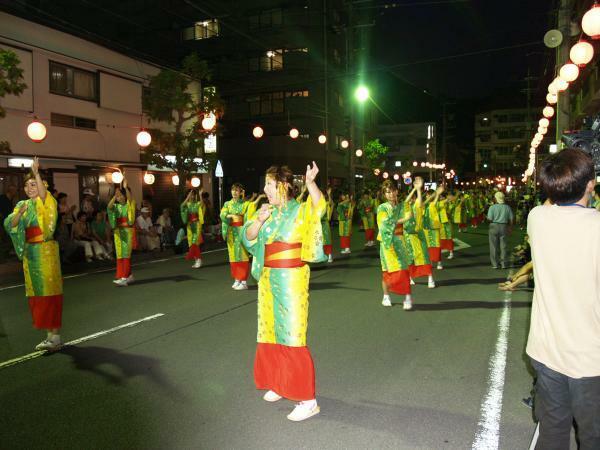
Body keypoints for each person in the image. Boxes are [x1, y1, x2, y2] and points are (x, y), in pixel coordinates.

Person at [526, 148, 600, 449]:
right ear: (591, 185)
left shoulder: (537, 219)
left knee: (553, 430)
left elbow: (551, 203)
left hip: (546, 350)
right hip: (590, 357)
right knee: (593, 436)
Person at [242, 162, 326, 422]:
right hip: (268, 281)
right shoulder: (267, 212)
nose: (265, 189)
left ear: (284, 185)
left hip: (291, 281)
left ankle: (308, 399)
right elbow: (249, 238)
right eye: (266, 184)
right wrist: (258, 220)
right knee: (271, 331)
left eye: (269, 184)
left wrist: (311, 183)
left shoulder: (300, 211)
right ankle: (279, 383)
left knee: (291, 334)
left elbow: (319, 207)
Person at [3, 157, 63, 351]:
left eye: (33, 184)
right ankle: (51, 336)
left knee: (49, 293)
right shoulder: (23, 204)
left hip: (45, 253)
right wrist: (19, 214)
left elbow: (45, 199)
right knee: (37, 294)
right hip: (31, 255)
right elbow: (10, 225)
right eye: (27, 186)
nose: (29, 188)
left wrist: (36, 172)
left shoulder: (47, 201)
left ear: (41, 184)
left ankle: (54, 336)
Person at [377, 180, 414, 310]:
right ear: (384, 194)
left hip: (400, 240)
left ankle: (407, 297)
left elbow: (410, 219)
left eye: (392, 191)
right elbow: (384, 224)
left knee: (403, 269)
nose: (391, 194)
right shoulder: (382, 208)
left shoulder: (402, 206)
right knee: (387, 271)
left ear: (397, 191)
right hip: (387, 243)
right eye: (387, 192)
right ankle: (386, 295)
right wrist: (404, 219)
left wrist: (410, 216)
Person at [404, 178, 435, 288]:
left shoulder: (417, 205)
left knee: (425, 256)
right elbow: (406, 201)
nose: (412, 199)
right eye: (411, 197)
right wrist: (414, 189)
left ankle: (430, 278)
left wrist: (418, 190)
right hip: (408, 236)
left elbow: (420, 200)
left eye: (413, 197)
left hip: (419, 235)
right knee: (410, 258)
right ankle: (410, 277)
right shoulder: (406, 207)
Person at [220, 183, 251, 290]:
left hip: (241, 232)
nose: (234, 192)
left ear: (241, 192)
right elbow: (222, 214)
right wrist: (230, 215)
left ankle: (243, 281)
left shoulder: (246, 204)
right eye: (233, 190)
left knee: (242, 255)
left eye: (237, 190)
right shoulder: (227, 204)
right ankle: (237, 278)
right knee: (233, 256)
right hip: (231, 233)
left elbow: (249, 216)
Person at [107, 179, 135, 287]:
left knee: (125, 254)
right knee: (119, 254)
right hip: (118, 232)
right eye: (117, 196)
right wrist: (115, 195)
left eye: (120, 196)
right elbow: (108, 207)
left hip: (127, 231)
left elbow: (130, 198)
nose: (118, 198)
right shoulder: (116, 206)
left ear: (124, 196)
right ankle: (128, 276)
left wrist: (126, 188)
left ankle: (124, 278)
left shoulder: (129, 204)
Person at [486, 191, 513, 269]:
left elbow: (490, 219)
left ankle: (495, 264)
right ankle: (503, 264)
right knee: (503, 246)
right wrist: (510, 228)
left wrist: (487, 218)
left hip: (494, 226)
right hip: (504, 226)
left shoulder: (492, 207)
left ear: (496, 199)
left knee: (493, 246)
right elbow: (511, 219)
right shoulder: (507, 207)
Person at [181, 189, 204, 268]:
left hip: (196, 224)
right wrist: (188, 197)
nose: (192, 196)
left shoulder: (197, 204)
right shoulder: (187, 204)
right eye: (190, 194)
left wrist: (200, 195)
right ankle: (196, 260)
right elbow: (182, 206)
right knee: (191, 243)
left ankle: (199, 260)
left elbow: (202, 205)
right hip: (189, 225)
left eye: (193, 194)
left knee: (195, 241)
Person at [423, 186, 444, 270]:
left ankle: (439, 262)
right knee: (428, 246)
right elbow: (423, 203)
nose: (428, 196)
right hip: (426, 228)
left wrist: (437, 194)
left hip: (434, 228)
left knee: (436, 245)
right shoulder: (423, 204)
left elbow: (434, 202)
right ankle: (430, 261)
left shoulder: (435, 203)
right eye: (427, 195)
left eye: (429, 195)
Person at [439, 192, 455, 259]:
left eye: (442, 197)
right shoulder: (439, 203)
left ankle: (451, 252)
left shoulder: (449, 204)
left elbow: (450, 212)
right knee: (441, 238)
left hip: (447, 223)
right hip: (440, 223)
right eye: (440, 197)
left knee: (449, 237)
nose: (440, 198)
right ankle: (440, 252)